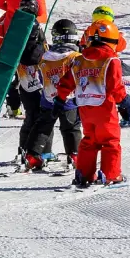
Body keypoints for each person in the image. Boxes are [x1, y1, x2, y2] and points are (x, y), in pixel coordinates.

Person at [56, 21, 128, 188]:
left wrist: (60, 98)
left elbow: (66, 82)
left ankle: (83, 174)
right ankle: (111, 175)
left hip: (85, 108)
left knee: (89, 140)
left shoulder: (80, 60)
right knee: (110, 141)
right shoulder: (111, 60)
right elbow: (115, 85)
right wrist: (124, 103)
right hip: (105, 108)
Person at [19, 18, 82, 171]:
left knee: (42, 127)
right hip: (69, 100)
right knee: (71, 127)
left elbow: (40, 76)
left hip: (48, 99)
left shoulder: (45, 56)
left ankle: (32, 155)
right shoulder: (75, 57)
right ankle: (75, 155)